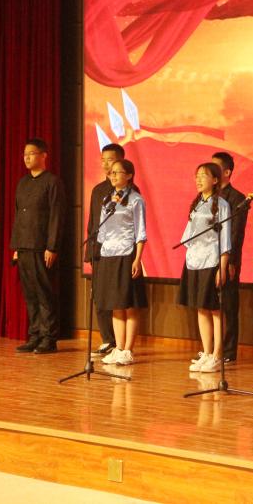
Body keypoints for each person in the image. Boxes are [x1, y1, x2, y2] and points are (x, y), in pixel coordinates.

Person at [10, 138, 66, 354]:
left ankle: (48, 338)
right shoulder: (22, 183)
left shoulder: (52, 182)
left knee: (44, 293)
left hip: (41, 247)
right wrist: (16, 246)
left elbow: (56, 217)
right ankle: (34, 335)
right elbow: (18, 215)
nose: (27, 158)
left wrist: (52, 247)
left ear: (43, 156)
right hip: (24, 245)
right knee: (30, 294)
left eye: (31, 153)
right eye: (25, 154)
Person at [178, 162, 231, 374]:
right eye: (197, 175)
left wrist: (222, 267)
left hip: (212, 261)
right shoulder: (197, 203)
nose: (198, 179)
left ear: (215, 180)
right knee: (201, 308)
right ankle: (207, 352)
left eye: (204, 175)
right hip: (194, 261)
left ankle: (217, 354)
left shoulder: (222, 205)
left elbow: (225, 238)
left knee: (214, 309)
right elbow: (188, 236)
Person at [95, 160, 148, 365]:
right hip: (109, 254)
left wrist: (137, 259)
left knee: (129, 304)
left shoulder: (136, 200)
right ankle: (118, 347)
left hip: (127, 254)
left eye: (118, 172)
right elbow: (102, 231)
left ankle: (128, 350)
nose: (113, 175)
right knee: (115, 304)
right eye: (112, 172)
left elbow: (141, 232)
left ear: (129, 175)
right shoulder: (107, 200)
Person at [85, 143, 125, 357]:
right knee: (99, 296)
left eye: (110, 159)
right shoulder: (98, 189)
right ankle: (107, 339)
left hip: (118, 252)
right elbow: (92, 222)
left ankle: (119, 342)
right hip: (99, 250)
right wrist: (90, 251)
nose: (106, 164)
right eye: (103, 160)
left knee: (115, 297)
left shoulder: (127, 191)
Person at [214, 152, 247, 365]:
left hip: (228, 259)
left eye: (215, 168)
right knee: (210, 305)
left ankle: (228, 350)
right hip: (208, 258)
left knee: (228, 305)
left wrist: (232, 261)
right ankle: (212, 348)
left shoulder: (237, 198)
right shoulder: (208, 197)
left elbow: (236, 233)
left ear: (226, 172)